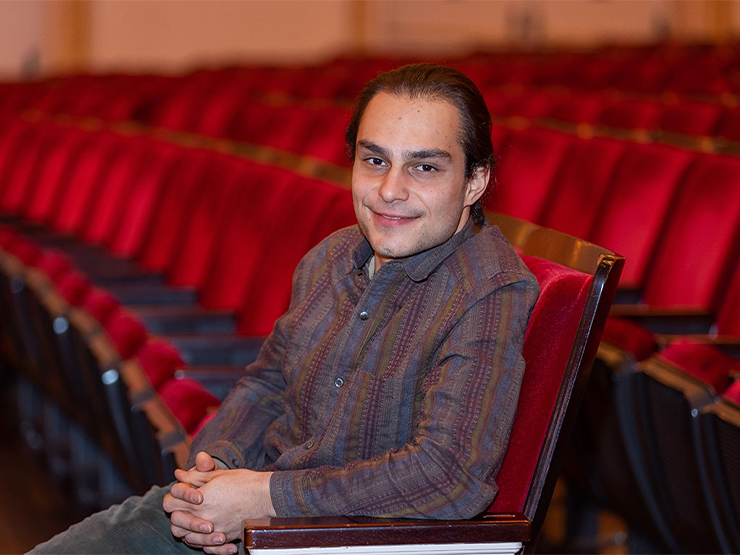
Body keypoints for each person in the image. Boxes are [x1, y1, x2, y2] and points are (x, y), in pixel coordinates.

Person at [30, 63, 539, 555]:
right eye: (375, 160)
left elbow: (449, 475)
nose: (390, 190)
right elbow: (268, 384)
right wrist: (215, 471)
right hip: (252, 522)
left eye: (424, 166)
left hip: (333, 542)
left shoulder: (488, 291)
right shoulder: (331, 257)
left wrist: (263, 498)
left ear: (474, 181)